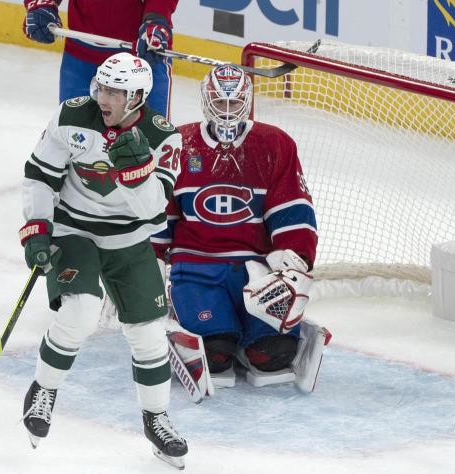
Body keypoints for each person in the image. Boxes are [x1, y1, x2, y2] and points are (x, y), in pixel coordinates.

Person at [18, 52, 187, 469]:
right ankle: (43, 390)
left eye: (115, 91)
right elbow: (40, 175)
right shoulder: (74, 116)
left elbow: (152, 213)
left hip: (129, 239)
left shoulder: (164, 137)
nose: (103, 98)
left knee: (149, 333)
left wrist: (137, 175)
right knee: (80, 313)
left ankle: (156, 418)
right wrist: (38, 227)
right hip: (73, 229)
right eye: (102, 87)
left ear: (137, 97)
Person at [152, 64, 331, 394]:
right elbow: (161, 212)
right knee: (215, 353)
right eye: (221, 103)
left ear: (248, 102)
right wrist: (150, 260)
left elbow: (292, 206)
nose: (228, 112)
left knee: (273, 355)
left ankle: (252, 335)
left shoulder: (274, 144)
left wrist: (293, 256)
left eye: (235, 104)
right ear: (207, 102)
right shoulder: (178, 144)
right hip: (197, 267)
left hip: (257, 272)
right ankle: (218, 331)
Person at [22, 0, 177, 117]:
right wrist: (41, 4)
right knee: (71, 141)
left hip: (143, 57)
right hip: (80, 58)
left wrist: (156, 18)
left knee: (151, 148)